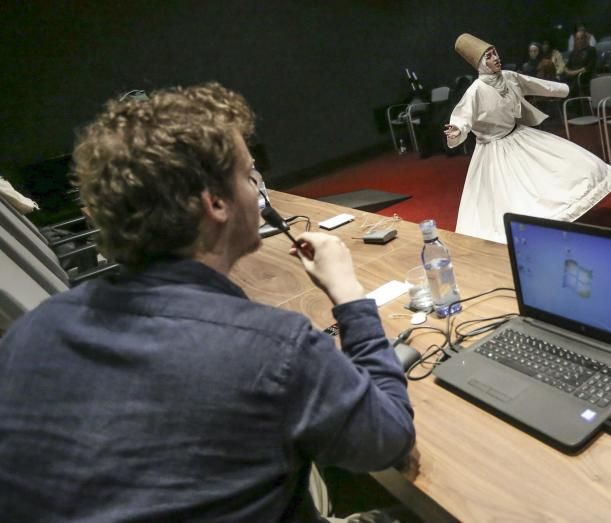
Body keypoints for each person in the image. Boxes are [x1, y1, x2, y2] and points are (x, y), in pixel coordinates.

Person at [0, 83, 416, 522]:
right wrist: (349, 295)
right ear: (215, 203)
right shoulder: (275, 350)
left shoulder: (30, 330)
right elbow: (388, 440)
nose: (257, 185)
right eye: (248, 174)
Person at [444, 34, 611, 244]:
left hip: (517, 136)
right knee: (509, 194)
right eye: (489, 56)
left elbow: (534, 84)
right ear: (481, 64)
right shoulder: (476, 91)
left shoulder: (508, 77)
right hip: (494, 149)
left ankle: (556, 216)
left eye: (495, 53)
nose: (496, 58)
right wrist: (458, 131)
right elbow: (463, 116)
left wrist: (562, 89)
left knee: (553, 169)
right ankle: (531, 233)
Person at [564, 29, 598, 94]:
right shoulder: (573, 52)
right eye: (577, 39)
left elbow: (589, 67)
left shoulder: (591, 50)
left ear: (585, 39)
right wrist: (568, 72)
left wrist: (573, 73)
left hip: (583, 76)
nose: (579, 41)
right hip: (571, 75)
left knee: (572, 84)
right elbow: (566, 66)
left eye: (581, 38)